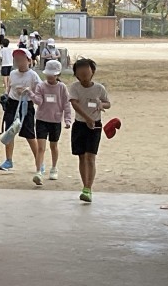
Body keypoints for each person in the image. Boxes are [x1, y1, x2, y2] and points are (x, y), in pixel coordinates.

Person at [68, 58, 111, 203]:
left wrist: (101, 105)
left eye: (87, 71)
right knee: (81, 156)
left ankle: (88, 188)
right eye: (81, 72)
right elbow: (74, 104)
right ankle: (84, 185)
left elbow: (108, 103)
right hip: (80, 124)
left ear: (92, 72)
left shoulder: (99, 88)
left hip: (95, 125)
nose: (84, 75)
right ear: (76, 74)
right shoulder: (74, 88)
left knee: (90, 156)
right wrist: (87, 118)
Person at [0, 49, 43, 184]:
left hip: (26, 106)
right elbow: (9, 88)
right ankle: (8, 160)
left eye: (22, 59)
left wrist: (28, 92)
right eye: (16, 59)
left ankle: (39, 162)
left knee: (30, 135)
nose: (19, 62)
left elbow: (40, 91)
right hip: (12, 105)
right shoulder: (13, 73)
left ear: (29, 61)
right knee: (9, 132)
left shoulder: (33, 76)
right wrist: (5, 96)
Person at [33, 60, 72, 181]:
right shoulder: (41, 86)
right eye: (48, 75)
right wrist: (30, 94)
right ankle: (38, 171)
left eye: (53, 75)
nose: (50, 77)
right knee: (41, 147)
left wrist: (67, 119)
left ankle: (54, 168)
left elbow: (66, 104)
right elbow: (38, 101)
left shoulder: (62, 87)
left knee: (53, 146)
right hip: (41, 120)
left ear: (58, 75)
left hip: (55, 120)